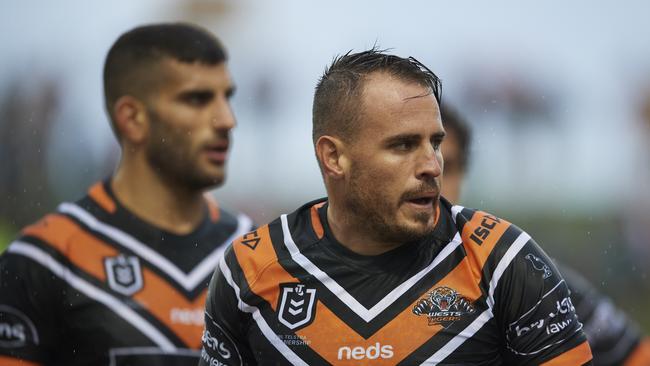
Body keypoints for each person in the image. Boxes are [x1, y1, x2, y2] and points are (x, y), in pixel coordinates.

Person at [200, 49, 593, 365]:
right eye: (403, 145)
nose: (431, 166)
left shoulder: (502, 260)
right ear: (334, 157)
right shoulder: (251, 270)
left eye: (434, 143)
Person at [0, 23, 254, 366]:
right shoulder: (44, 261)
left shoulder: (259, 254)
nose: (226, 120)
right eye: (197, 99)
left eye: (227, 97)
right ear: (132, 118)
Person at [440, 103, 650, 366]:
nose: (431, 178)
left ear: (463, 175)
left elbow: (636, 356)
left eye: (446, 166)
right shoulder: (372, 285)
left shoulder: (522, 272)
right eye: (407, 153)